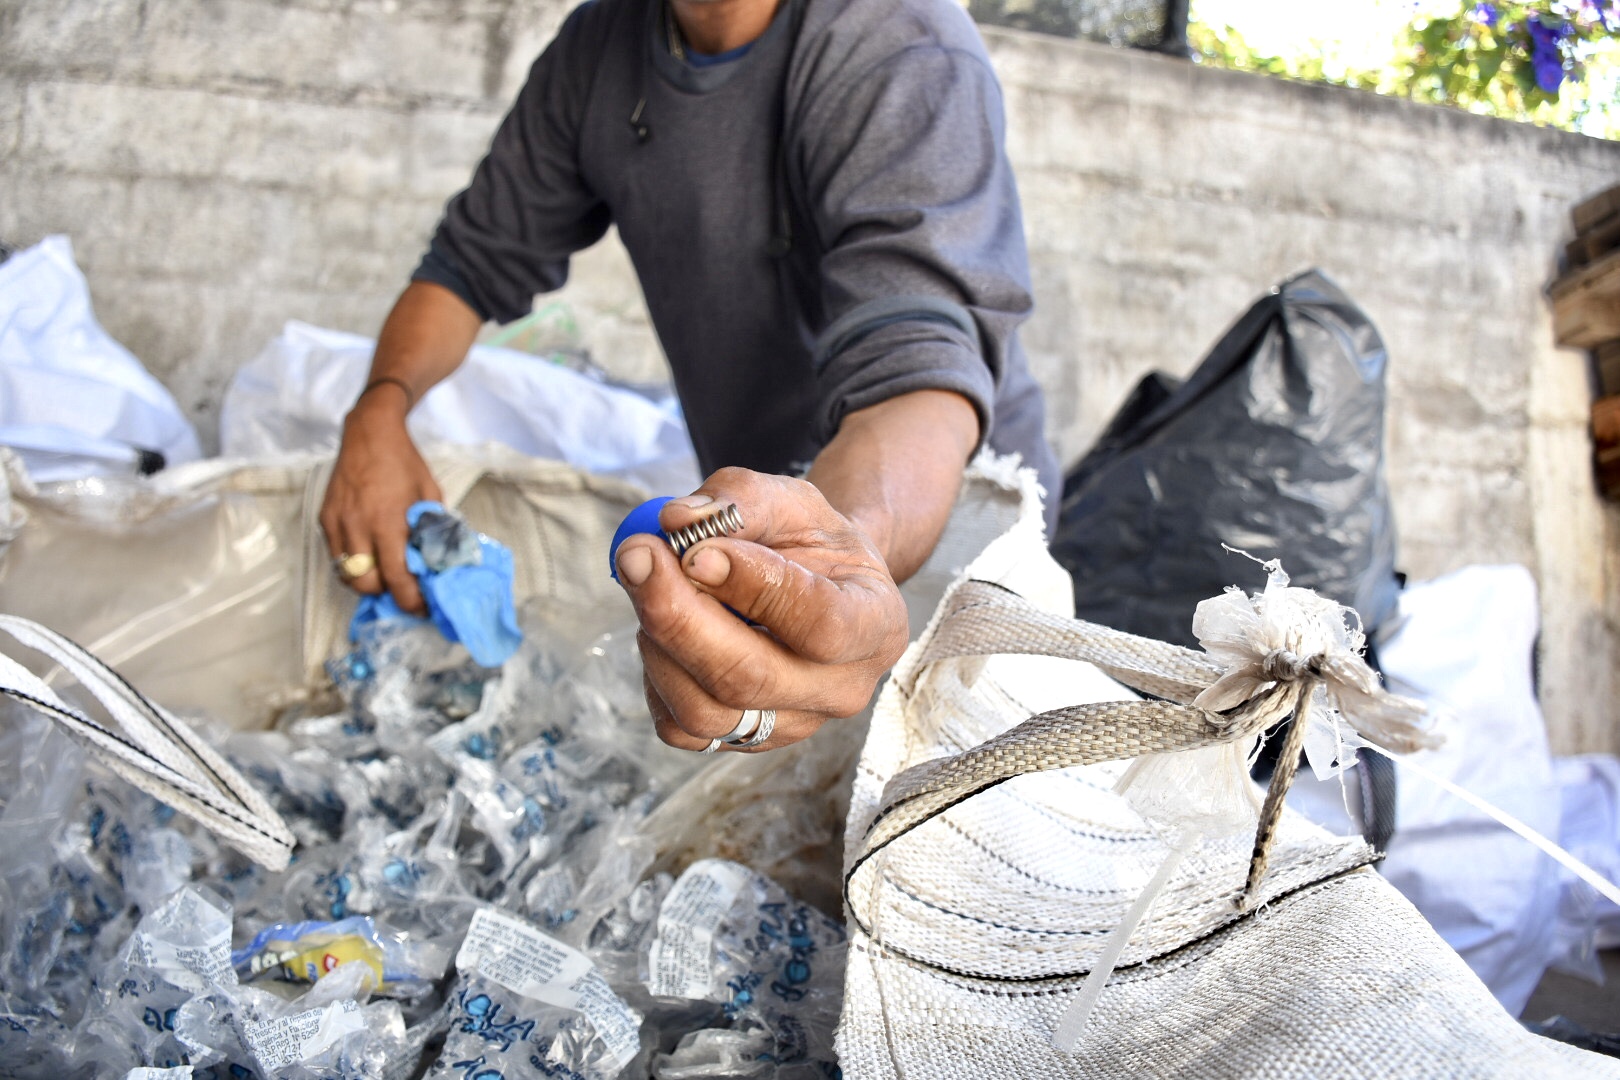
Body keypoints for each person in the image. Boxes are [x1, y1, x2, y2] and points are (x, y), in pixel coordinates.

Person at [319, 0, 1061, 754]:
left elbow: (914, 370)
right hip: (771, 536)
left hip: (943, 528)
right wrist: (378, 413)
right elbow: (468, 265)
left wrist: (838, 562)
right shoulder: (600, 48)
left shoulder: (900, 42)